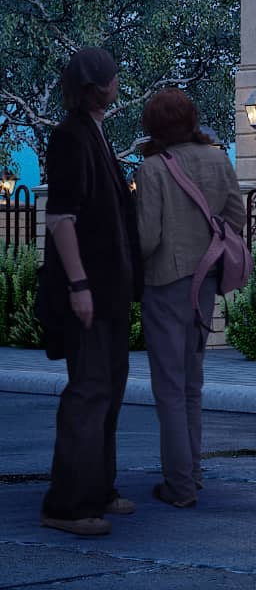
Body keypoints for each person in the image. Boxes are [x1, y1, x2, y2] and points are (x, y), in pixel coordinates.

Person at [38, 46, 140, 537]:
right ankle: (68, 503)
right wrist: (78, 284)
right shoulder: (69, 138)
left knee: (109, 388)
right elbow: (61, 218)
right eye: (113, 78)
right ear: (96, 86)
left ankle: (99, 488)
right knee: (89, 391)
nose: (118, 83)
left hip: (110, 291)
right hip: (89, 290)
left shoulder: (95, 134)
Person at [131, 88, 244, 509]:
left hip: (165, 283)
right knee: (193, 383)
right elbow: (235, 219)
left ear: (153, 126)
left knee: (169, 388)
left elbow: (147, 239)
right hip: (207, 279)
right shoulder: (218, 159)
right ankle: (192, 472)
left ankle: (178, 486)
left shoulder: (154, 168)